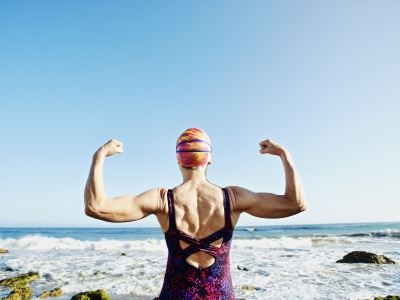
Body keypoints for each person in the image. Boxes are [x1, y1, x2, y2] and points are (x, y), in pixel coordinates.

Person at [84, 128, 306, 300]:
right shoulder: (233, 198)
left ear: (178, 159)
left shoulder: (163, 200)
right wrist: (284, 155)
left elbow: (96, 206)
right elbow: (295, 203)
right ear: (208, 158)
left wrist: (99, 156)